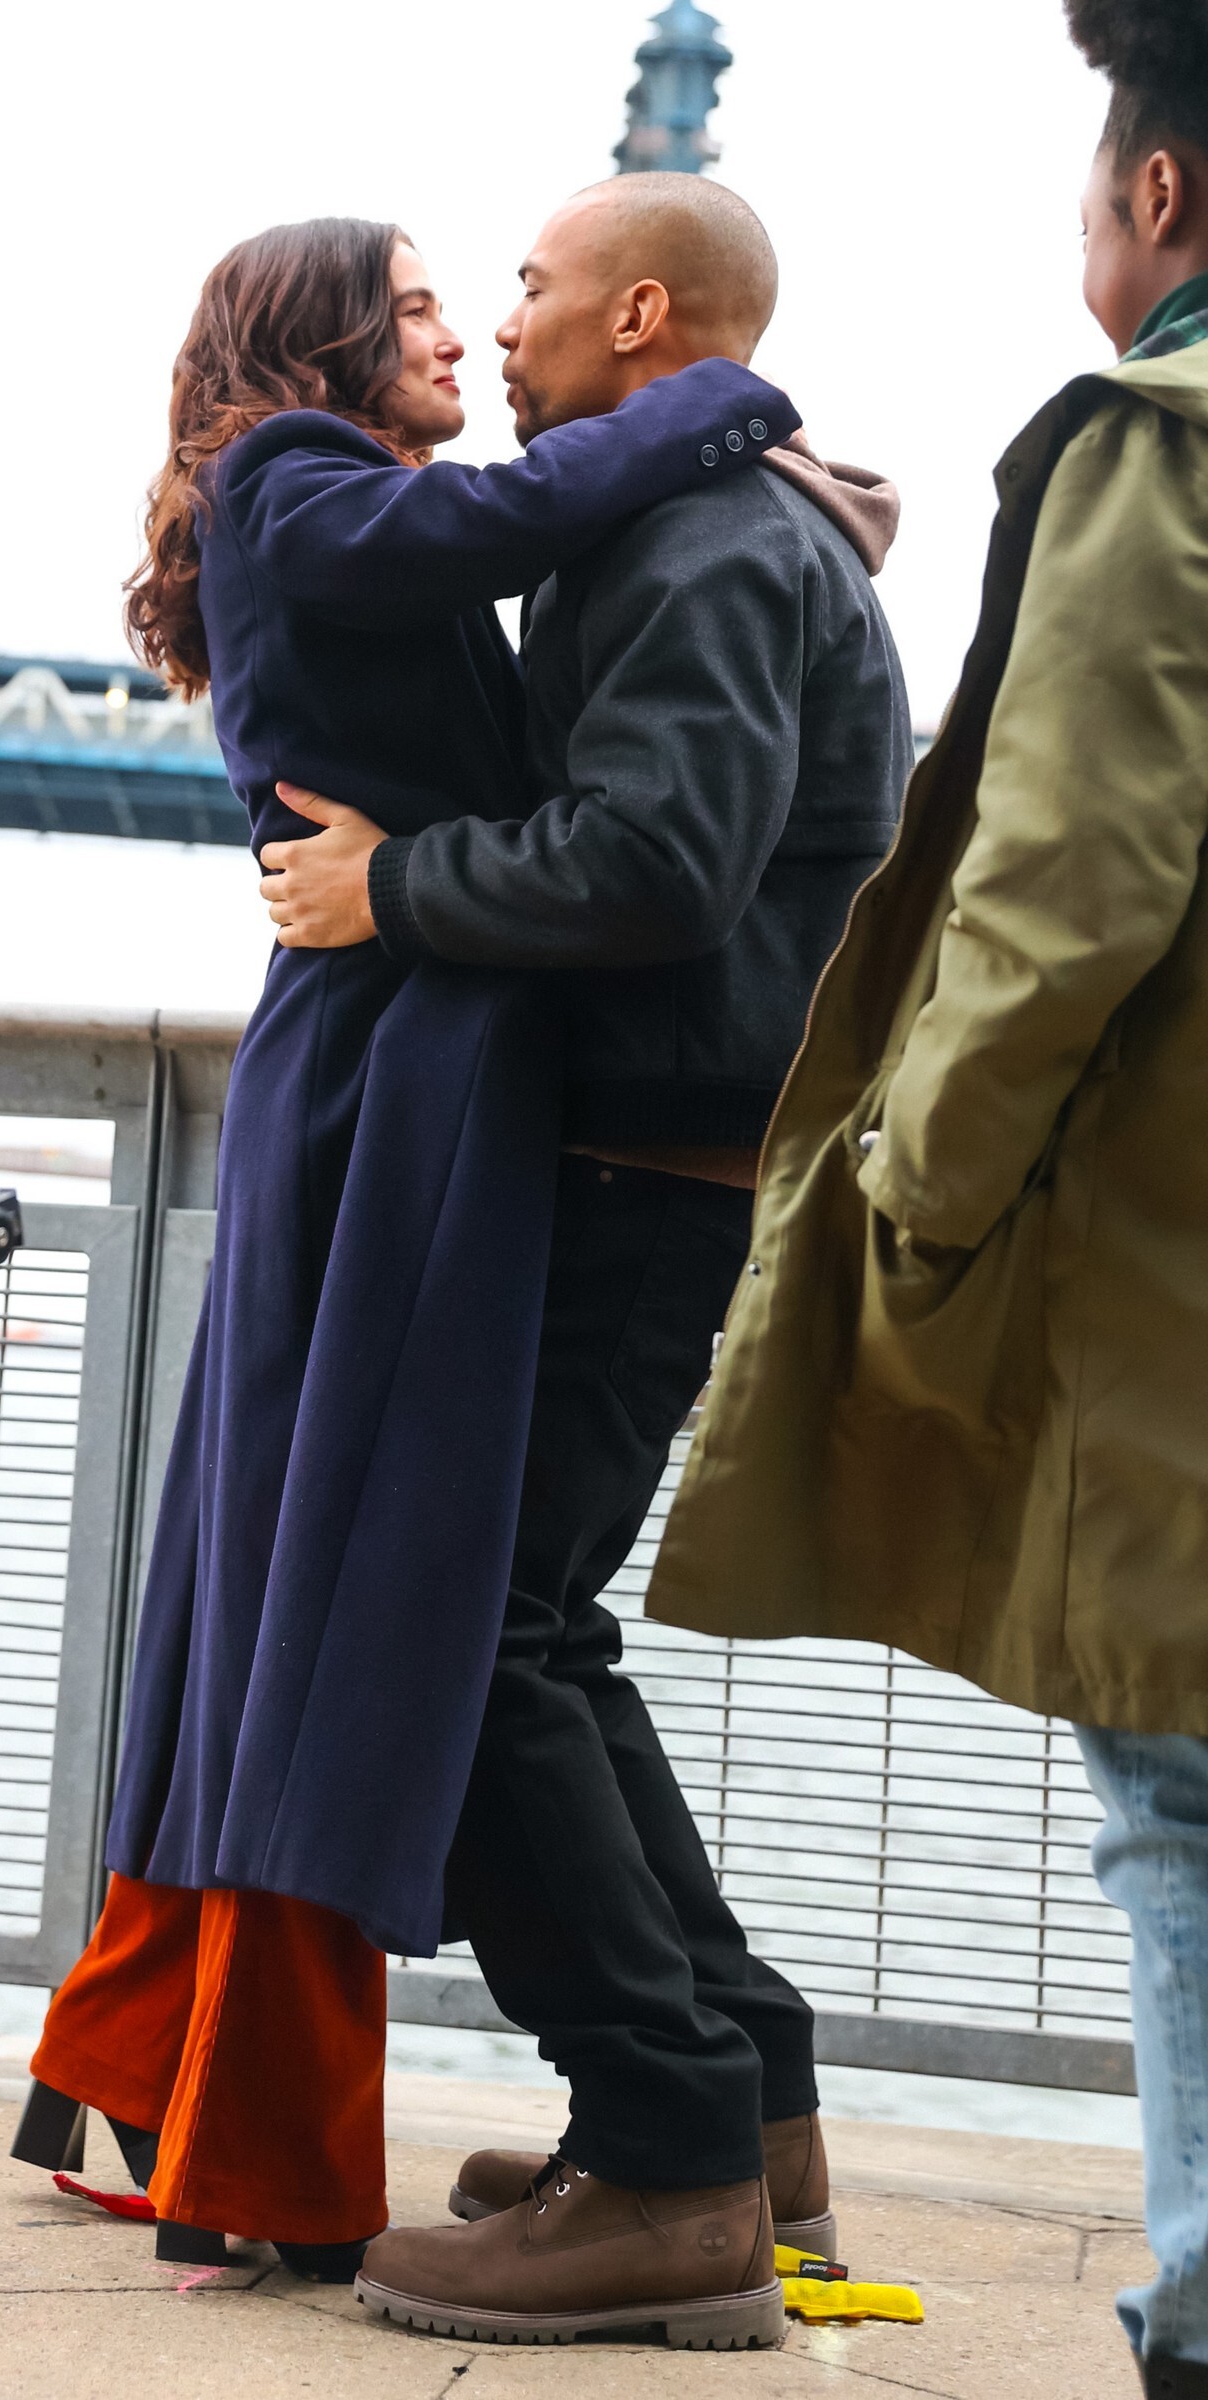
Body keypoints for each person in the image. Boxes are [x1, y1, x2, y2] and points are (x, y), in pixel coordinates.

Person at [9, 214, 801, 2287]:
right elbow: (513, 523)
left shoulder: (359, 505)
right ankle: (309, 2104)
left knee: (389, 1592)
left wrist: (753, 468)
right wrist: (729, 407)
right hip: (390, 1071)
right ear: (327, 337)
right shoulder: (290, 473)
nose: (468, 330)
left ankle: (665, 2114)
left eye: (488, 296)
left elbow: (538, 586)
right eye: (429, 302)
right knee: (380, 1585)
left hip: (423, 1051)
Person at [262, 172, 910, 2348]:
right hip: (672, 1155)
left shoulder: (703, 539)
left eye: (531, 288)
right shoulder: (719, 526)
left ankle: (660, 2164)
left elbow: (656, 860)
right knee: (535, 1634)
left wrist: (395, 885)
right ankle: (744, 2114)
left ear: (638, 316)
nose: (507, 325)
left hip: (647, 1167)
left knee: (464, 1653)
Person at [640, 8, 1208, 2394]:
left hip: (1169, 1274)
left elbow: (1062, 880)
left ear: (1152, 195)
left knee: (1179, 1794)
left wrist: (913, 1182)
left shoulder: (1154, 443)